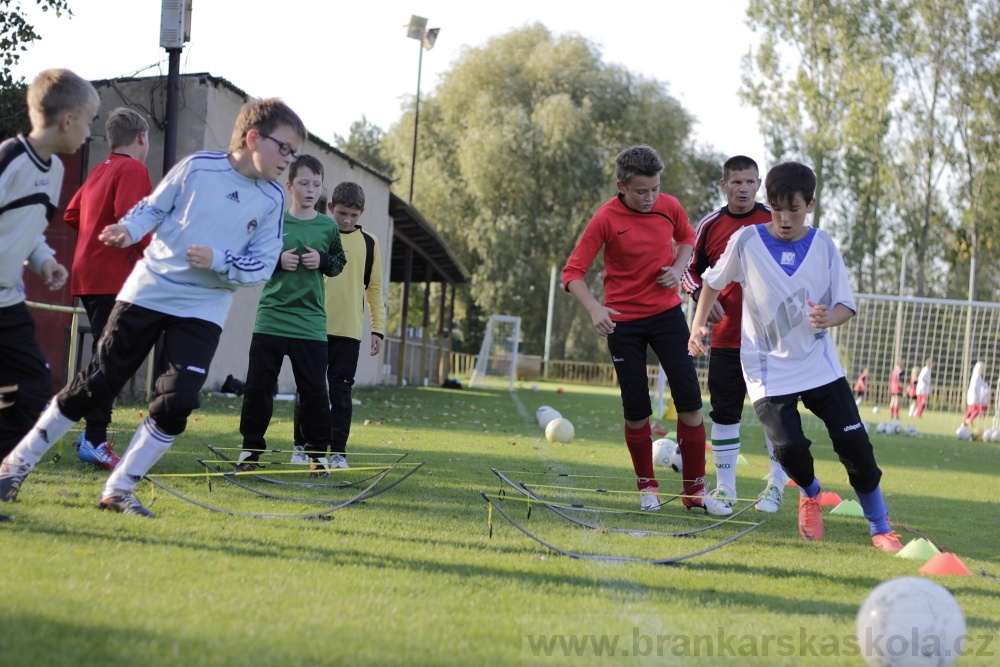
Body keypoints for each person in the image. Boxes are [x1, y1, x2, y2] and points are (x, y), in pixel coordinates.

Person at [0, 97, 307, 518]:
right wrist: (128, 230)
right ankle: (15, 465)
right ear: (253, 138)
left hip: (204, 307)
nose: (289, 159)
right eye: (284, 148)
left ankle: (119, 488)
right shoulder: (197, 167)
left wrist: (218, 260)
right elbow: (152, 207)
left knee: (178, 400)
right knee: (98, 383)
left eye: (294, 153)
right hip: (149, 290)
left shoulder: (273, 199)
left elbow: (263, 265)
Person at [688, 161, 902, 552]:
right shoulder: (746, 241)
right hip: (768, 371)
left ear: (811, 205)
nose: (784, 219)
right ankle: (810, 492)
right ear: (768, 202)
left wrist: (830, 317)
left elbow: (845, 305)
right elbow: (712, 282)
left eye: (794, 209)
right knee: (789, 451)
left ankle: (880, 526)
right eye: (777, 209)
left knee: (855, 447)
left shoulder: (824, 245)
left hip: (820, 366)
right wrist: (698, 325)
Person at [562, 145, 729, 515]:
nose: (650, 197)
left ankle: (695, 492)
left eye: (655, 188)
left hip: (667, 317)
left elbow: (687, 239)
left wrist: (678, 268)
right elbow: (572, 273)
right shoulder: (605, 218)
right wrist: (595, 309)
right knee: (637, 410)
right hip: (623, 324)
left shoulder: (669, 206)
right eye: (641, 191)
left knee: (690, 402)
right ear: (621, 187)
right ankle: (647, 488)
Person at [0, 69, 97, 523]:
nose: (89, 132)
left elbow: (28, 228)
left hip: (7, 301)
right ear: (67, 120)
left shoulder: (55, 170)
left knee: (33, 390)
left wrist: (44, 261)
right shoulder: (10, 159)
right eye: (88, 121)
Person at [680, 155, 787, 513]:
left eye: (750, 182)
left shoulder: (774, 220)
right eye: (736, 182)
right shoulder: (710, 225)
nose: (743, 188)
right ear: (724, 185)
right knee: (725, 413)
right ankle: (726, 489)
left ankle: (776, 485)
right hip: (726, 338)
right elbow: (688, 271)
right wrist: (700, 296)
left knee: (778, 415)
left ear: (759, 185)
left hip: (773, 340)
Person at [235, 155, 345, 476]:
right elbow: (253, 261)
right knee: (258, 389)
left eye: (316, 184)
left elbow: (338, 263)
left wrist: (323, 260)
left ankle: (317, 456)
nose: (310, 189)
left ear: (322, 188)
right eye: (303, 183)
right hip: (271, 319)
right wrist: (277, 261)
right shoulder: (274, 222)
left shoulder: (328, 226)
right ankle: (250, 451)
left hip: (310, 324)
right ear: (289, 186)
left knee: (314, 393)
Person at [63, 107, 153, 470]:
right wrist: (154, 258)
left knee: (106, 354)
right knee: (111, 358)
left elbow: (72, 214)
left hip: (87, 273)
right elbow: (131, 219)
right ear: (142, 138)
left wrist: (95, 239)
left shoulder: (100, 168)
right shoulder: (133, 169)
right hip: (112, 276)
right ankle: (94, 438)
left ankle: (88, 431)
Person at [291, 181, 385, 469]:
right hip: (313, 328)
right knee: (309, 391)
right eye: (342, 213)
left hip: (349, 332)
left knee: (341, 394)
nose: (346, 220)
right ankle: (301, 447)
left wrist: (378, 329)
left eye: (353, 215)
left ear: (361, 213)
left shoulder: (370, 243)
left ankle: (338, 453)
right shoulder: (319, 233)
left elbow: (374, 290)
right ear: (330, 208)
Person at [963, 361, 989, 429]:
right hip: (974, 395)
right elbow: (974, 386)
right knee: (978, 409)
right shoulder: (977, 376)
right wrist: (976, 395)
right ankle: (969, 420)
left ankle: (965, 422)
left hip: (973, 395)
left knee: (970, 409)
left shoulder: (976, 376)